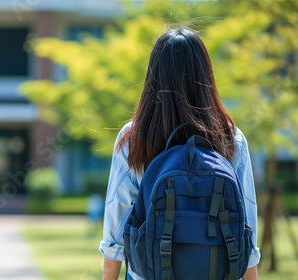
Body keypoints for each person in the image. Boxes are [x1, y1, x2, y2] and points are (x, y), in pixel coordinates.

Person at [99, 28, 260, 280]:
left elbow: (117, 218)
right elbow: (246, 220)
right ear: (205, 75)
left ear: (154, 77)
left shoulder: (135, 137)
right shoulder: (230, 138)